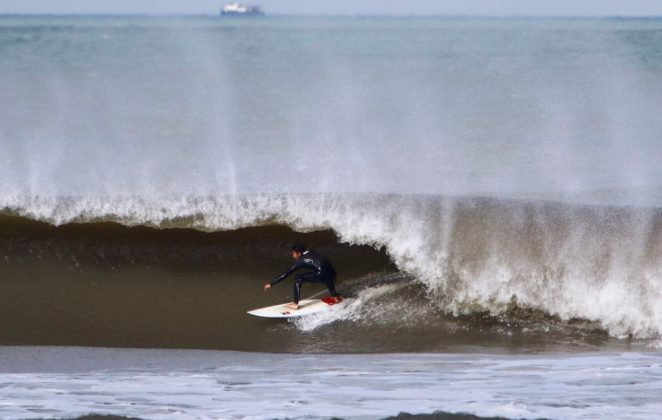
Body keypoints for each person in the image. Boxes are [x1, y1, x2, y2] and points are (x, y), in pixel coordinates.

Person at [264, 244, 340, 310]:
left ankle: (295, 304)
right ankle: (335, 297)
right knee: (325, 272)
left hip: (322, 274)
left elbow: (286, 274)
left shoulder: (300, 261)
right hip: (332, 273)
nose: (293, 256)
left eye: (294, 253)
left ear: (299, 253)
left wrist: (271, 284)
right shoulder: (311, 251)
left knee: (298, 278)